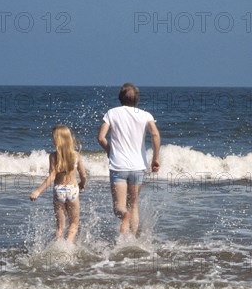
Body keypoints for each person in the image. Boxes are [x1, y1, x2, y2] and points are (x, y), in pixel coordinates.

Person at [97, 83, 160, 236]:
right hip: (138, 167)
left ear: (120, 98)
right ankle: (132, 240)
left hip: (119, 166)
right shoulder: (145, 115)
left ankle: (124, 235)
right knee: (134, 206)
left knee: (120, 208)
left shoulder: (112, 113)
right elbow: (155, 135)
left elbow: (101, 137)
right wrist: (155, 159)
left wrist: (109, 150)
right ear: (137, 99)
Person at [30, 125, 86, 244]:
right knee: (74, 224)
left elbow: (52, 176)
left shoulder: (53, 156)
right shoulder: (76, 155)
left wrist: (38, 191)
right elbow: (84, 175)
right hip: (73, 190)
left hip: (59, 191)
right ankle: (68, 245)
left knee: (60, 227)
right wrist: (82, 184)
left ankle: (59, 247)